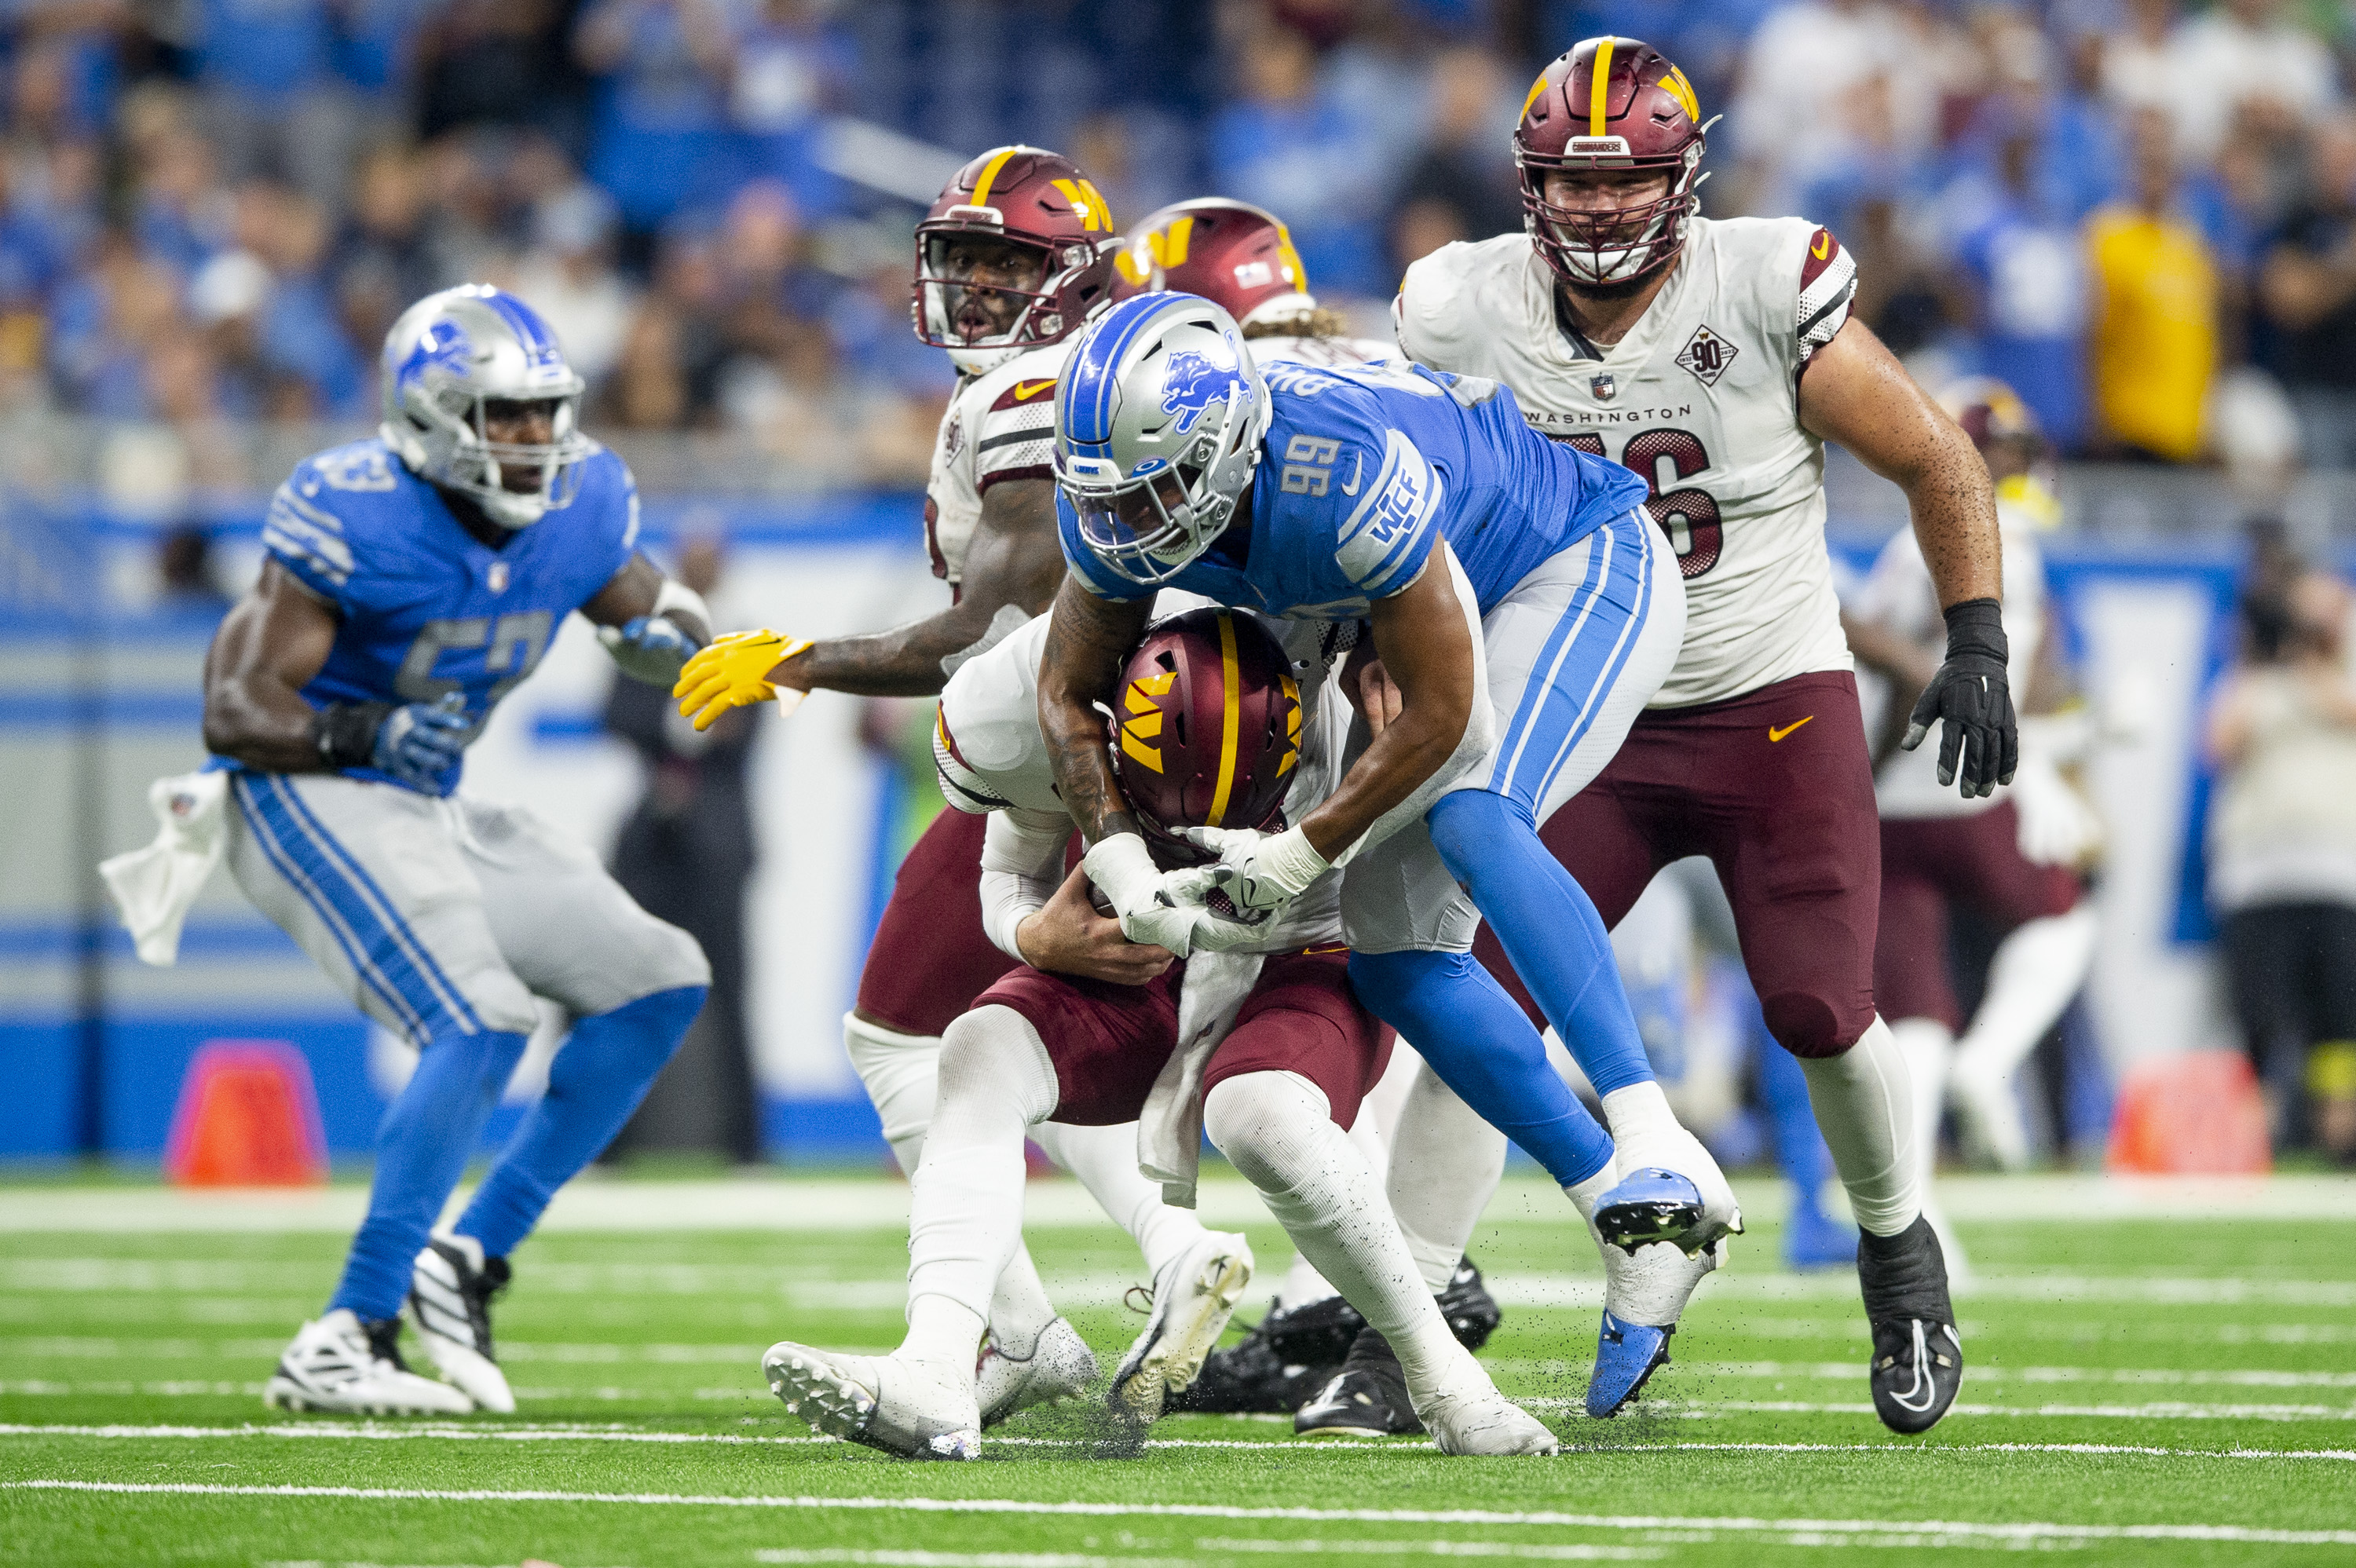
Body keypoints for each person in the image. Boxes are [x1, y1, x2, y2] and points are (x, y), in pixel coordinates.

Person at [1397, 38, 2010, 1434]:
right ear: (1528, 184)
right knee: (1466, 1001)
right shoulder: (1460, 305)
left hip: (1770, 699)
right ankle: (1407, 1308)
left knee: (1814, 1005)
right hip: (1581, 706)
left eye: (1630, 186)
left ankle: (1898, 1245)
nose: (1601, 211)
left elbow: (1933, 452)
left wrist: (1975, 633)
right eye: (1570, 183)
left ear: (1688, 182)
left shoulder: (1763, 280)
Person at [1037, 284, 1741, 1429]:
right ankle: (1626, 1208)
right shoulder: (1117, 503)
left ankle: (1656, 1131)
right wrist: (1118, 862)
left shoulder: (1334, 473)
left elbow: (1450, 711)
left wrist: (1302, 848)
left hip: (1575, 560)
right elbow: (1067, 692)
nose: (1133, 521)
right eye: (1113, 492)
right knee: (1397, 960)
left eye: (1162, 485)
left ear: (1226, 443)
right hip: (1435, 607)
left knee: (1475, 813)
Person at [672, 147, 1234, 1425]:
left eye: (1008, 265)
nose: (976, 289)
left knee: (900, 1036)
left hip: (1073, 743)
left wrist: (799, 659)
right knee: (1019, 1038)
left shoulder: (1049, 389)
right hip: (1129, 735)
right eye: (962, 263)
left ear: (1070, 279)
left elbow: (1006, 622)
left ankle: (1022, 1327)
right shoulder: (1047, 380)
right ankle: (1144, 1263)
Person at [762, 606, 1556, 1459]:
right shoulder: (1058, 687)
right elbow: (1005, 872)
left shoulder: (1374, 689)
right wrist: (1035, 934)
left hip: (1311, 947)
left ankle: (1445, 1380)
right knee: (978, 1047)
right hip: (1147, 952)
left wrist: (1385, 787)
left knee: (1259, 1116)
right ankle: (940, 1364)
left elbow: (1443, 857)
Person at [199, 285, 716, 1415]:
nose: (535, 439)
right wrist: (358, 727)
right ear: (433, 418)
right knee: (477, 1012)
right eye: (506, 416)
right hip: (303, 791)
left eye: (545, 412)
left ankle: (469, 1256)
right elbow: (235, 705)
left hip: (428, 800)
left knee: (659, 978)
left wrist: (682, 642)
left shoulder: (582, 502)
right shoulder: (356, 510)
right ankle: (351, 1328)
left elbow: (650, 603)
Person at [1112, 195, 1507, 1425]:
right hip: (1471, 641)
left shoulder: (1237, 402)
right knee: (1400, 956)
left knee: (1333, 948)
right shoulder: (1367, 360)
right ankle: (1352, 1284)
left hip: (1390, 673)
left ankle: (1355, 1290)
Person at [1846, 380, 2098, 1228]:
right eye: (2006, 453)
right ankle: (1988, 1065)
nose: (2018, 470)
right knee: (2065, 916)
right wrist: (2022, 755)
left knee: (1915, 1010)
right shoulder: (1987, 537)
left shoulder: (1903, 542)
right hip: (1971, 780)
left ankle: (1913, 1209)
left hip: (1896, 800)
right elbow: (1886, 640)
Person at [602, 537, 764, 1165]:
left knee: (732, 992)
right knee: (617, 983)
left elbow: (742, 731)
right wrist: (687, 722)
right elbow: (616, 712)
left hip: (718, 838)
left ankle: (748, 1149)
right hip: (650, 834)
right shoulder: (648, 639)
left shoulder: (747, 640)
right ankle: (605, 1146)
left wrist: (679, 724)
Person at [2207, 566, 2356, 1165]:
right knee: (2261, 1017)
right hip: (2258, 873)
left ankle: (2340, 1136)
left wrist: (2314, 658)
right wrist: (2265, 659)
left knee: (2340, 1020)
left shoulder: (2341, 667)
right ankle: (2257, 1143)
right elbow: (2217, 741)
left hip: (2334, 869)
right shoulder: (2255, 677)